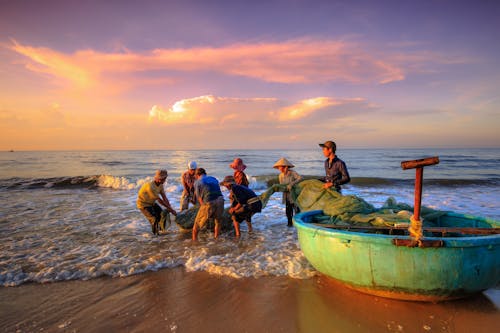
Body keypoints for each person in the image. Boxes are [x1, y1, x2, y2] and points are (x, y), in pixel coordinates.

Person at [137, 169, 177, 235]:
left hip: (152, 202)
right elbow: (159, 200)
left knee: (161, 215)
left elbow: (164, 197)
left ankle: (161, 231)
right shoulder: (150, 186)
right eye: (164, 178)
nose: (165, 180)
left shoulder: (160, 185)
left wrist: (170, 208)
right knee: (154, 219)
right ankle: (155, 236)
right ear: (160, 178)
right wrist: (171, 210)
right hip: (143, 204)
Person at [192, 168, 224, 241]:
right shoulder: (213, 178)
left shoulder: (197, 182)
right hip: (220, 200)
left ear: (197, 175)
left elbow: (199, 198)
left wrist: (203, 209)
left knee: (196, 226)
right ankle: (216, 239)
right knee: (218, 222)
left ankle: (194, 243)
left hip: (209, 202)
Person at [273, 157, 302, 226]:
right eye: (279, 167)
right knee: (288, 212)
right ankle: (290, 226)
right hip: (286, 195)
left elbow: (300, 178)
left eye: (280, 167)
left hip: (294, 195)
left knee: (297, 210)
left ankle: (299, 225)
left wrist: (292, 184)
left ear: (285, 167)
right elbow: (281, 185)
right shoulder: (280, 175)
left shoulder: (292, 173)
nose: (279, 169)